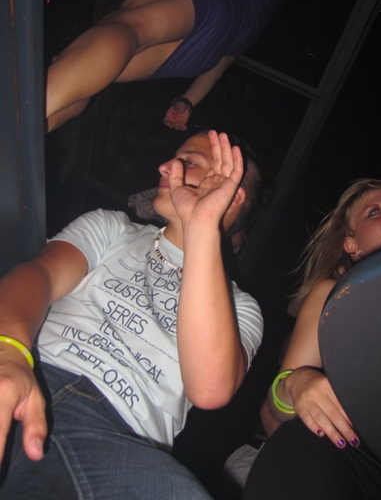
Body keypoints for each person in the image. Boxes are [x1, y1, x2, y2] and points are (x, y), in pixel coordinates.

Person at [0, 130, 264, 499]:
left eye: (188, 162)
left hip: (119, 436)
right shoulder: (113, 227)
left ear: (232, 195)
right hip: (35, 369)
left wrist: (202, 222)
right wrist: (9, 352)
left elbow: (209, 389)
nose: (166, 166)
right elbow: (38, 275)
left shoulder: (241, 308)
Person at [244, 178, 381, 500]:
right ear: (351, 244)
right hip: (358, 466)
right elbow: (273, 418)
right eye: (375, 212)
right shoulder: (334, 297)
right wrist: (297, 383)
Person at [46, 0, 286, 132]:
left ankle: (33, 106)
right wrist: (187, 101)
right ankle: (38, 127)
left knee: (129, 28)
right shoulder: (258, 22)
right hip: (201, 56)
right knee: (88, 75)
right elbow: (217, 69)